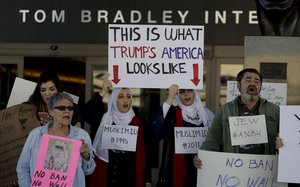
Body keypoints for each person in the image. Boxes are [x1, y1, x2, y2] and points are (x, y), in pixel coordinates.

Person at [193, 68, 279, 168]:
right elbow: (213, 140)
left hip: (264, 170)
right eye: (248, 80)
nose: (253, 83)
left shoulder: (274, 110)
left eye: (257, 81)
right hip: (234, 170)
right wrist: (202, 156)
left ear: (260, 87)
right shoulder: (224, 111)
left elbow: (286, 140)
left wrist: (282, 144)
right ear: (238, 86)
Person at [84, 75, 152, 187]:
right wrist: (102, 92)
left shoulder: (139, 122)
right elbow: (86, 113)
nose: (125, 100)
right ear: (114, 100)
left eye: (128, 96)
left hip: (130, 178)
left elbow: (147, 151)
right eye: (120, 96)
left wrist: (147, 179)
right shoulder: (105, 119)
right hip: (108, 176)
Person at [16, 92, 96, 187]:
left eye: (70, 108)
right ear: (51, 112)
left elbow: (89, 171)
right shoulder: (36, 135)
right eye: (62, 108)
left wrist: (86, 156)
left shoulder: (82, 135)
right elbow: (22, 169)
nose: (67, 111)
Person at [150, 84, 214, 187]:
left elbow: (215, 142)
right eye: (182, 91)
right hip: (177, 171)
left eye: (190, 90)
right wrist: (170, 97)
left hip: (201, 169)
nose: (186, 94)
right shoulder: (172, 114)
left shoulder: (207, 115)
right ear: (177, 95)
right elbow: (157, 130)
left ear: (195, 93)